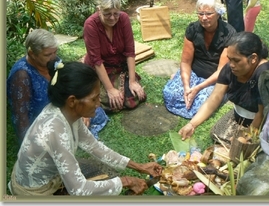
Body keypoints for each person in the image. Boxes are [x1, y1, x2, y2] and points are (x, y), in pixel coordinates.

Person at [8, 60, 162, 196]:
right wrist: (126, 181)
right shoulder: (54, 129)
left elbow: (94, 146)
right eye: (94, 98)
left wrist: (139, 166)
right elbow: (79, 189)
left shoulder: (67, 113)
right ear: (73, 101)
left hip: (52, 180)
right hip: (32, 193)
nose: (98, 104)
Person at [7, 29, 109, 146]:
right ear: (32, 54)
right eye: (47, 54)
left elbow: (69, 88)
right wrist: (32, 145)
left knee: (96, 113)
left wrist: (81, 112)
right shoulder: (21, 76)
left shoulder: (55, 62)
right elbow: (21, 118)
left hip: (62, 112)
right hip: (43, 123)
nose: (53, 57)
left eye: (54, 52)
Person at [178, 32, 269, 142]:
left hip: (262, 124)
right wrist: (192, 124)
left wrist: (244, 139)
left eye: (237, 60)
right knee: (216, 135)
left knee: (240, 150)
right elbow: (215, 97)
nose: (231, 65)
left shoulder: (265, 75)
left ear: (253, 58)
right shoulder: (230, 67)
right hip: (239, 116)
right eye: (230, 59)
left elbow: (261, 114)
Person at [163, 0, 236, 119]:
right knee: (171, 94)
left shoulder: (229, 33)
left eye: (208, 13)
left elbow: (221, 70)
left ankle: (221, 93)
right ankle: (183, 84)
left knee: (201, 104)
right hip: (195, 74)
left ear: (218, 13)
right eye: (200, 13)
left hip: (215, 79)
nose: (204, 17)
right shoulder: (193, 29)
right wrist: (187, 86)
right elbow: (185, 62)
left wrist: (197, 88)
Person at [83, 0, 146, 113]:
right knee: (108, 100)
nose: (112, 18)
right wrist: (110, 89)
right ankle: (112, 88)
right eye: (107, 14)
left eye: (115, 13)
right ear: (98, 10)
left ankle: (125, 81)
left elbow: (130, 51)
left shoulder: (124, 19)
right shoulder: (90, 25)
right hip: (100, 68)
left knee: (132, 98)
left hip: (119, 67)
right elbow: (97, 61)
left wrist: (132, 81)